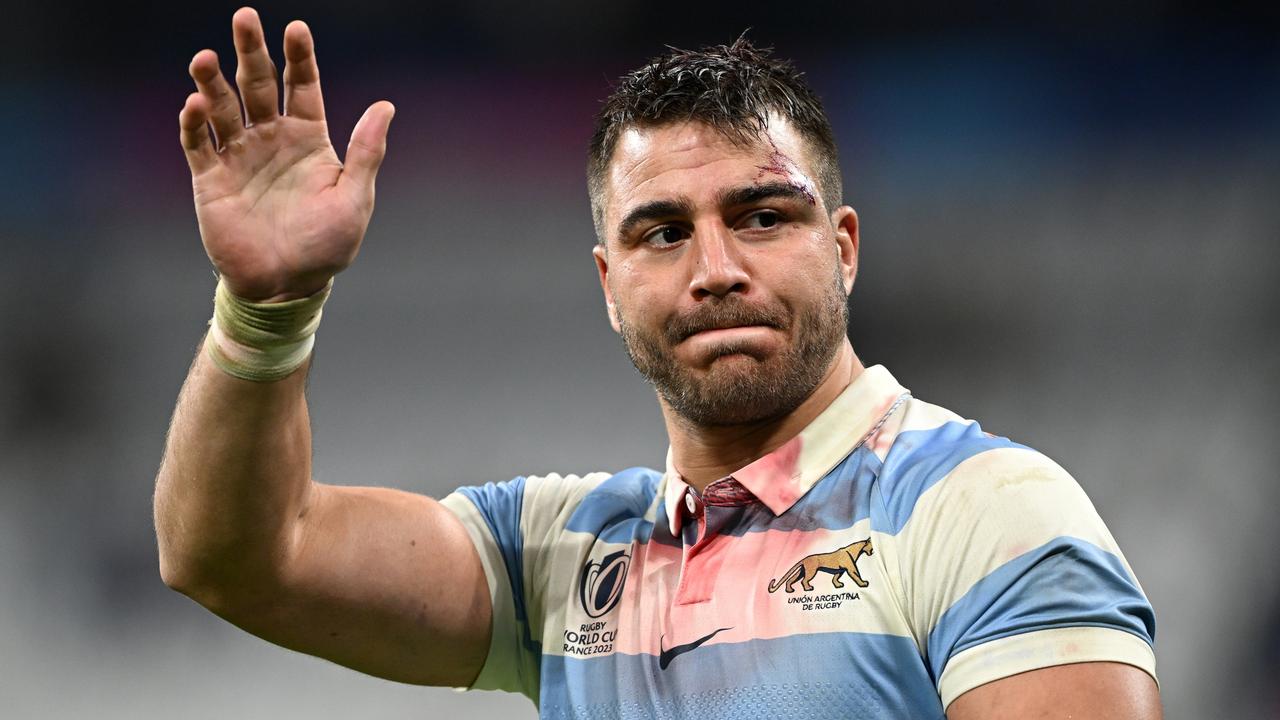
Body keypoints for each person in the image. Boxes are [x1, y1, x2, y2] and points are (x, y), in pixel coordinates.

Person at [155, 7, 1162, 718]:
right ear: (606, 281)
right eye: (661, 232)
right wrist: (266, 309)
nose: (715, 270)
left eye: (762, 217)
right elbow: (238, 556)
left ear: (843, 248)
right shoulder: (562, 557)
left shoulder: (983, 514)